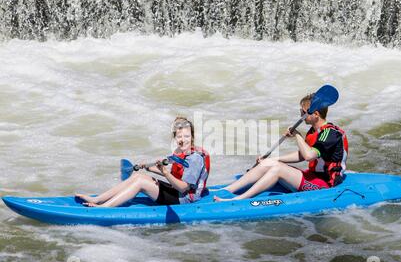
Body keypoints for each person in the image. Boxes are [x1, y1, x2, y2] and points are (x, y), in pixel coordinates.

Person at [214, 90, 348, 202]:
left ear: (316, 114)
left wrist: (297, 135)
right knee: (269, 164)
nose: (300, 115)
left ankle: (239, 200)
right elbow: (302, 155)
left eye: (303, 112)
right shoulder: (313, 131)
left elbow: (308, 156)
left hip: (325, 186)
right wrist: (274, 159)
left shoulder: (330, 134)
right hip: (312, 177)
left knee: (277, 169)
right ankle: (226, 190)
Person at [75, 117, 210, 207]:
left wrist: (165, 173)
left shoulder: (195, 158)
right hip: (177, 192)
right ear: (174, 138)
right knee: (138, 176)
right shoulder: (179, 152)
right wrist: (150, 169)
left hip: (185, 200)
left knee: (141, 183)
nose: (183, 140)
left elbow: (183, 187)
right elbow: (174, 176)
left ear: (192, 137)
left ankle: (104, 208)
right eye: (179, 136)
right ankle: (98, 199)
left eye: (186, 136)